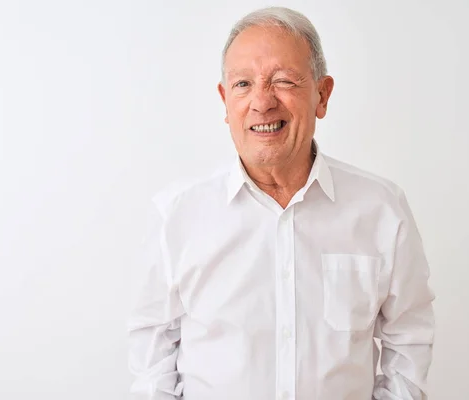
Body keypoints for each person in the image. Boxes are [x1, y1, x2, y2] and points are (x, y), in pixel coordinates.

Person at [128, 6, 435, 400]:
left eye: (284, 81)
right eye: (243, 84)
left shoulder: (381, 210)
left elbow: (408, 339)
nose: (262, 102)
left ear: (322, 96)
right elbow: (153, 368)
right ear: (225, 101)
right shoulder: (176, 216)